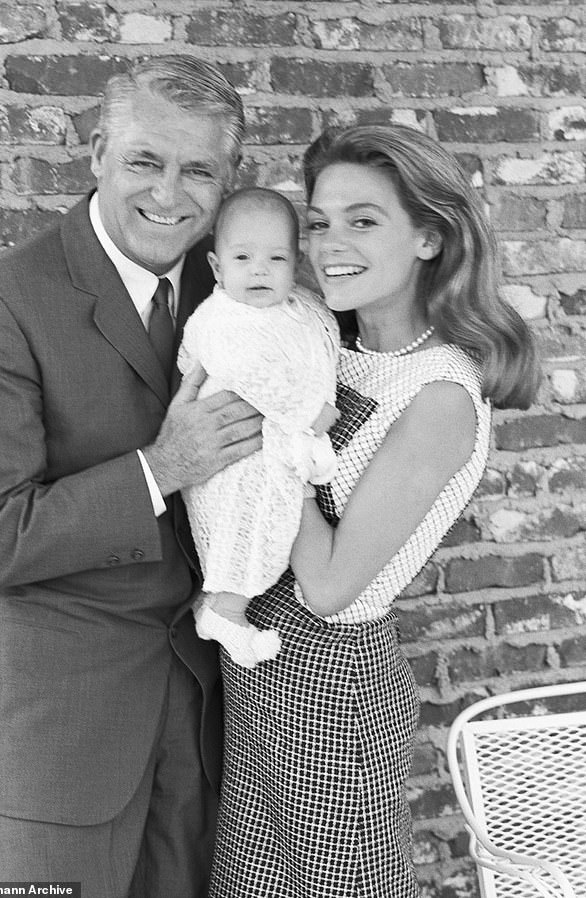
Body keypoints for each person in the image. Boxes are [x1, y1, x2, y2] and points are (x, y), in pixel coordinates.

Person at [0, 55, 262, 898]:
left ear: (229, 179)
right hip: (59, 728)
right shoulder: (1, 299)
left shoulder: (232, 284)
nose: (171, 193)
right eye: (145, 161)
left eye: (198, 169)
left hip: (198, 707)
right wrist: (163, 467)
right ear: (96, 154)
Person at [207, 124, 542, 898]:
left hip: (336, 687)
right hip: (259, 670)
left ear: (430, 237)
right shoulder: (328, 343)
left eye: (365, 220)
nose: (329, 244)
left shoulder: (439, 396)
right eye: (319, 222)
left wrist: (266, 425)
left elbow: (329, 586)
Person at [178, 187, 339, 669]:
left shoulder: (298, 309)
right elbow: (256, 382)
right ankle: (227, 610)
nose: (260, 269)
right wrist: (312, 419)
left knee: (269, 519)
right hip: (233, 452)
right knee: (245, 523)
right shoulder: (224, 319)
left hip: (272, 443)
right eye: (243, 257)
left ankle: (222, 606)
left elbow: (319, 351)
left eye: (276, 257)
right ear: (216, 267)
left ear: (296, 263)